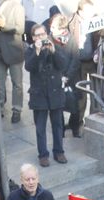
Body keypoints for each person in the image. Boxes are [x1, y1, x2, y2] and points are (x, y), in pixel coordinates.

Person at [25, 23, 69, 166]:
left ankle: (59, 151)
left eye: (42, 34)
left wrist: (54, 51)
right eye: (37, 35)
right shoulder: (30, 50)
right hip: (39, 94)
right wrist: (37, 52)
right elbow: (29, 67)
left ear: (47, 34)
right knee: (40, 127)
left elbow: (62, 64)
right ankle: (43, 154)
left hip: (55, 92)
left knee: (57, 125)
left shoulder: (55, 46)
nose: (40, 37)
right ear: (33, 38)